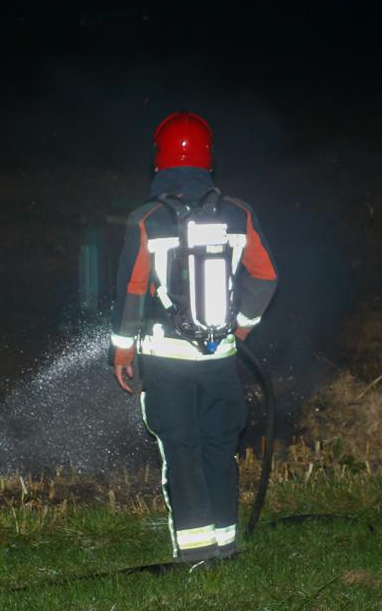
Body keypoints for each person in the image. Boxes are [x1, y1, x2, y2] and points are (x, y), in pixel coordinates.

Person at [110, 111, 278, 564]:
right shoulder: (239, 213)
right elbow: (266, 277)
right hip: (220, 360)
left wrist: (123, 350)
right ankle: (225, 544)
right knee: (220, 450)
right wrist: (239, 326)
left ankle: (196, 554)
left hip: (166, 363)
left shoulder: (147, 219)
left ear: (159, 161)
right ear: (208, 159)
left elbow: (132, 290)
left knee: (182, 453)